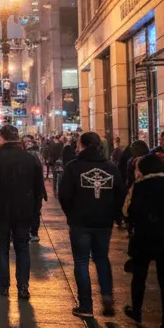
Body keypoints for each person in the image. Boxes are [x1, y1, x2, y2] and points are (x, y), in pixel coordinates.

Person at [58, 131, 125, 318]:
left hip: (80, 221)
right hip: (104, 222)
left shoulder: (73, 167)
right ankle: (107, 294)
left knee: (81, 261)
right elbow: (120, 193)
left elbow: (64, 195)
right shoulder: (110, 168)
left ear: (81, 145)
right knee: (102, 258)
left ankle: (86, 305)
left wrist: (71, 214)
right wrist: (113, 214)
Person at [123, 153, 164, 328]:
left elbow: (128, 211)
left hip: (144, 237)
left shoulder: (139, 187)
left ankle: (137, 311)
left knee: (139, 276)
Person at [0, 124, 47, 299]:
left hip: (0, 210)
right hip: (24, 210)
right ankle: (23, 286)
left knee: (2, 247)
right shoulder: (30, 159)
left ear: (1, 138)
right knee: (22, 247)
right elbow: (38, 187)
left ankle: (3, 286)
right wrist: (35, 209)